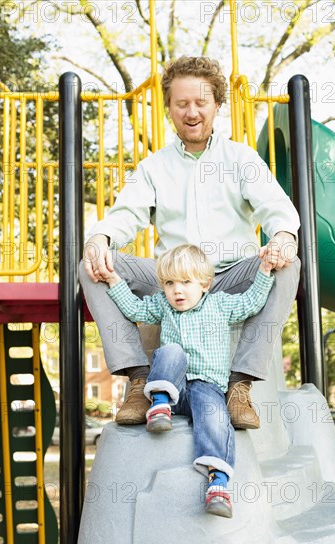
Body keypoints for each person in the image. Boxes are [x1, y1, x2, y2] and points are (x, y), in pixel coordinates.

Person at [79, 55, 300, 430]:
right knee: (91, 262)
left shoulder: (241, 158)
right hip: (171, 281)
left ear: (217, 104)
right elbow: (125, 216)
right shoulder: (153, 167)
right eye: (182, 104)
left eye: (201, 102)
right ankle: (138, 380)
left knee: (289, 264)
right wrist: (100, 238)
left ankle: (239, 385)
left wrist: (281, 235)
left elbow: (278, 210)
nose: (192, 112)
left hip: (229, 278)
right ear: (169, 108)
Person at [104, 244, 275, 518]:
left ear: (206, 284)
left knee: (215, 419)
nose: (177, 290)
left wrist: (265, 270)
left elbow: (251, 302)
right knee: (171, 352)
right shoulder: (163, 306)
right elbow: (136, 310)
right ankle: (158, 406)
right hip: (174, 388)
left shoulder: (220, 304)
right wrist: (114, 282)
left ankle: (218, 483)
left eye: (185, 282)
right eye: (169, 283)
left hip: (207, 388)